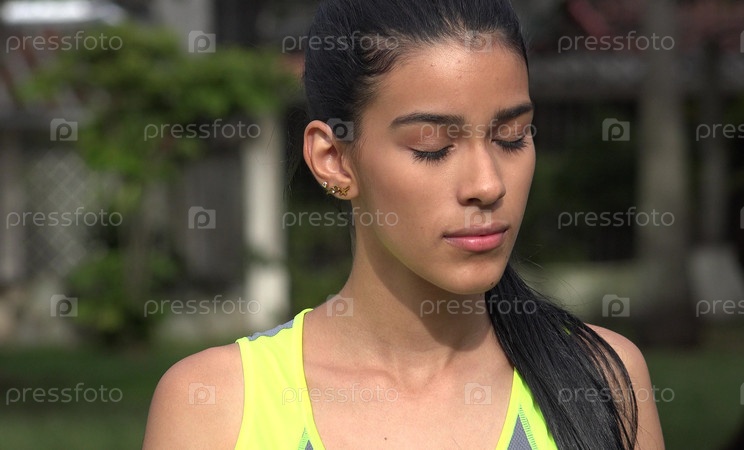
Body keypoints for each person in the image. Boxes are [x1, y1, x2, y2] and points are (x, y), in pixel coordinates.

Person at [143, 0, 665, 448]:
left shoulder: (600, 381)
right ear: (333, 159)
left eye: (511, 136)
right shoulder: (216, 407)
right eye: (432, 146)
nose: (487, 185)